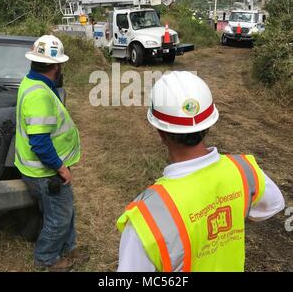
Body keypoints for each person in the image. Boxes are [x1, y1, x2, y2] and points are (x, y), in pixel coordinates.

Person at [117, 72, 285, 272]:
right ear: (209, 125)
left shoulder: (147, 216)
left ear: (160, 132)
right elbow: (274, 204)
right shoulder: (244, 170)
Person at [15, 35, 89, 272]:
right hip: (46, 172)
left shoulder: (32, 82)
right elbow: (40, 143)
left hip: (43, 170)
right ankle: (46, 258)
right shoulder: (39, 94)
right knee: (58, 217)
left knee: (65, 210)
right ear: (56, 66)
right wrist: (61, 168)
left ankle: (68, 249)